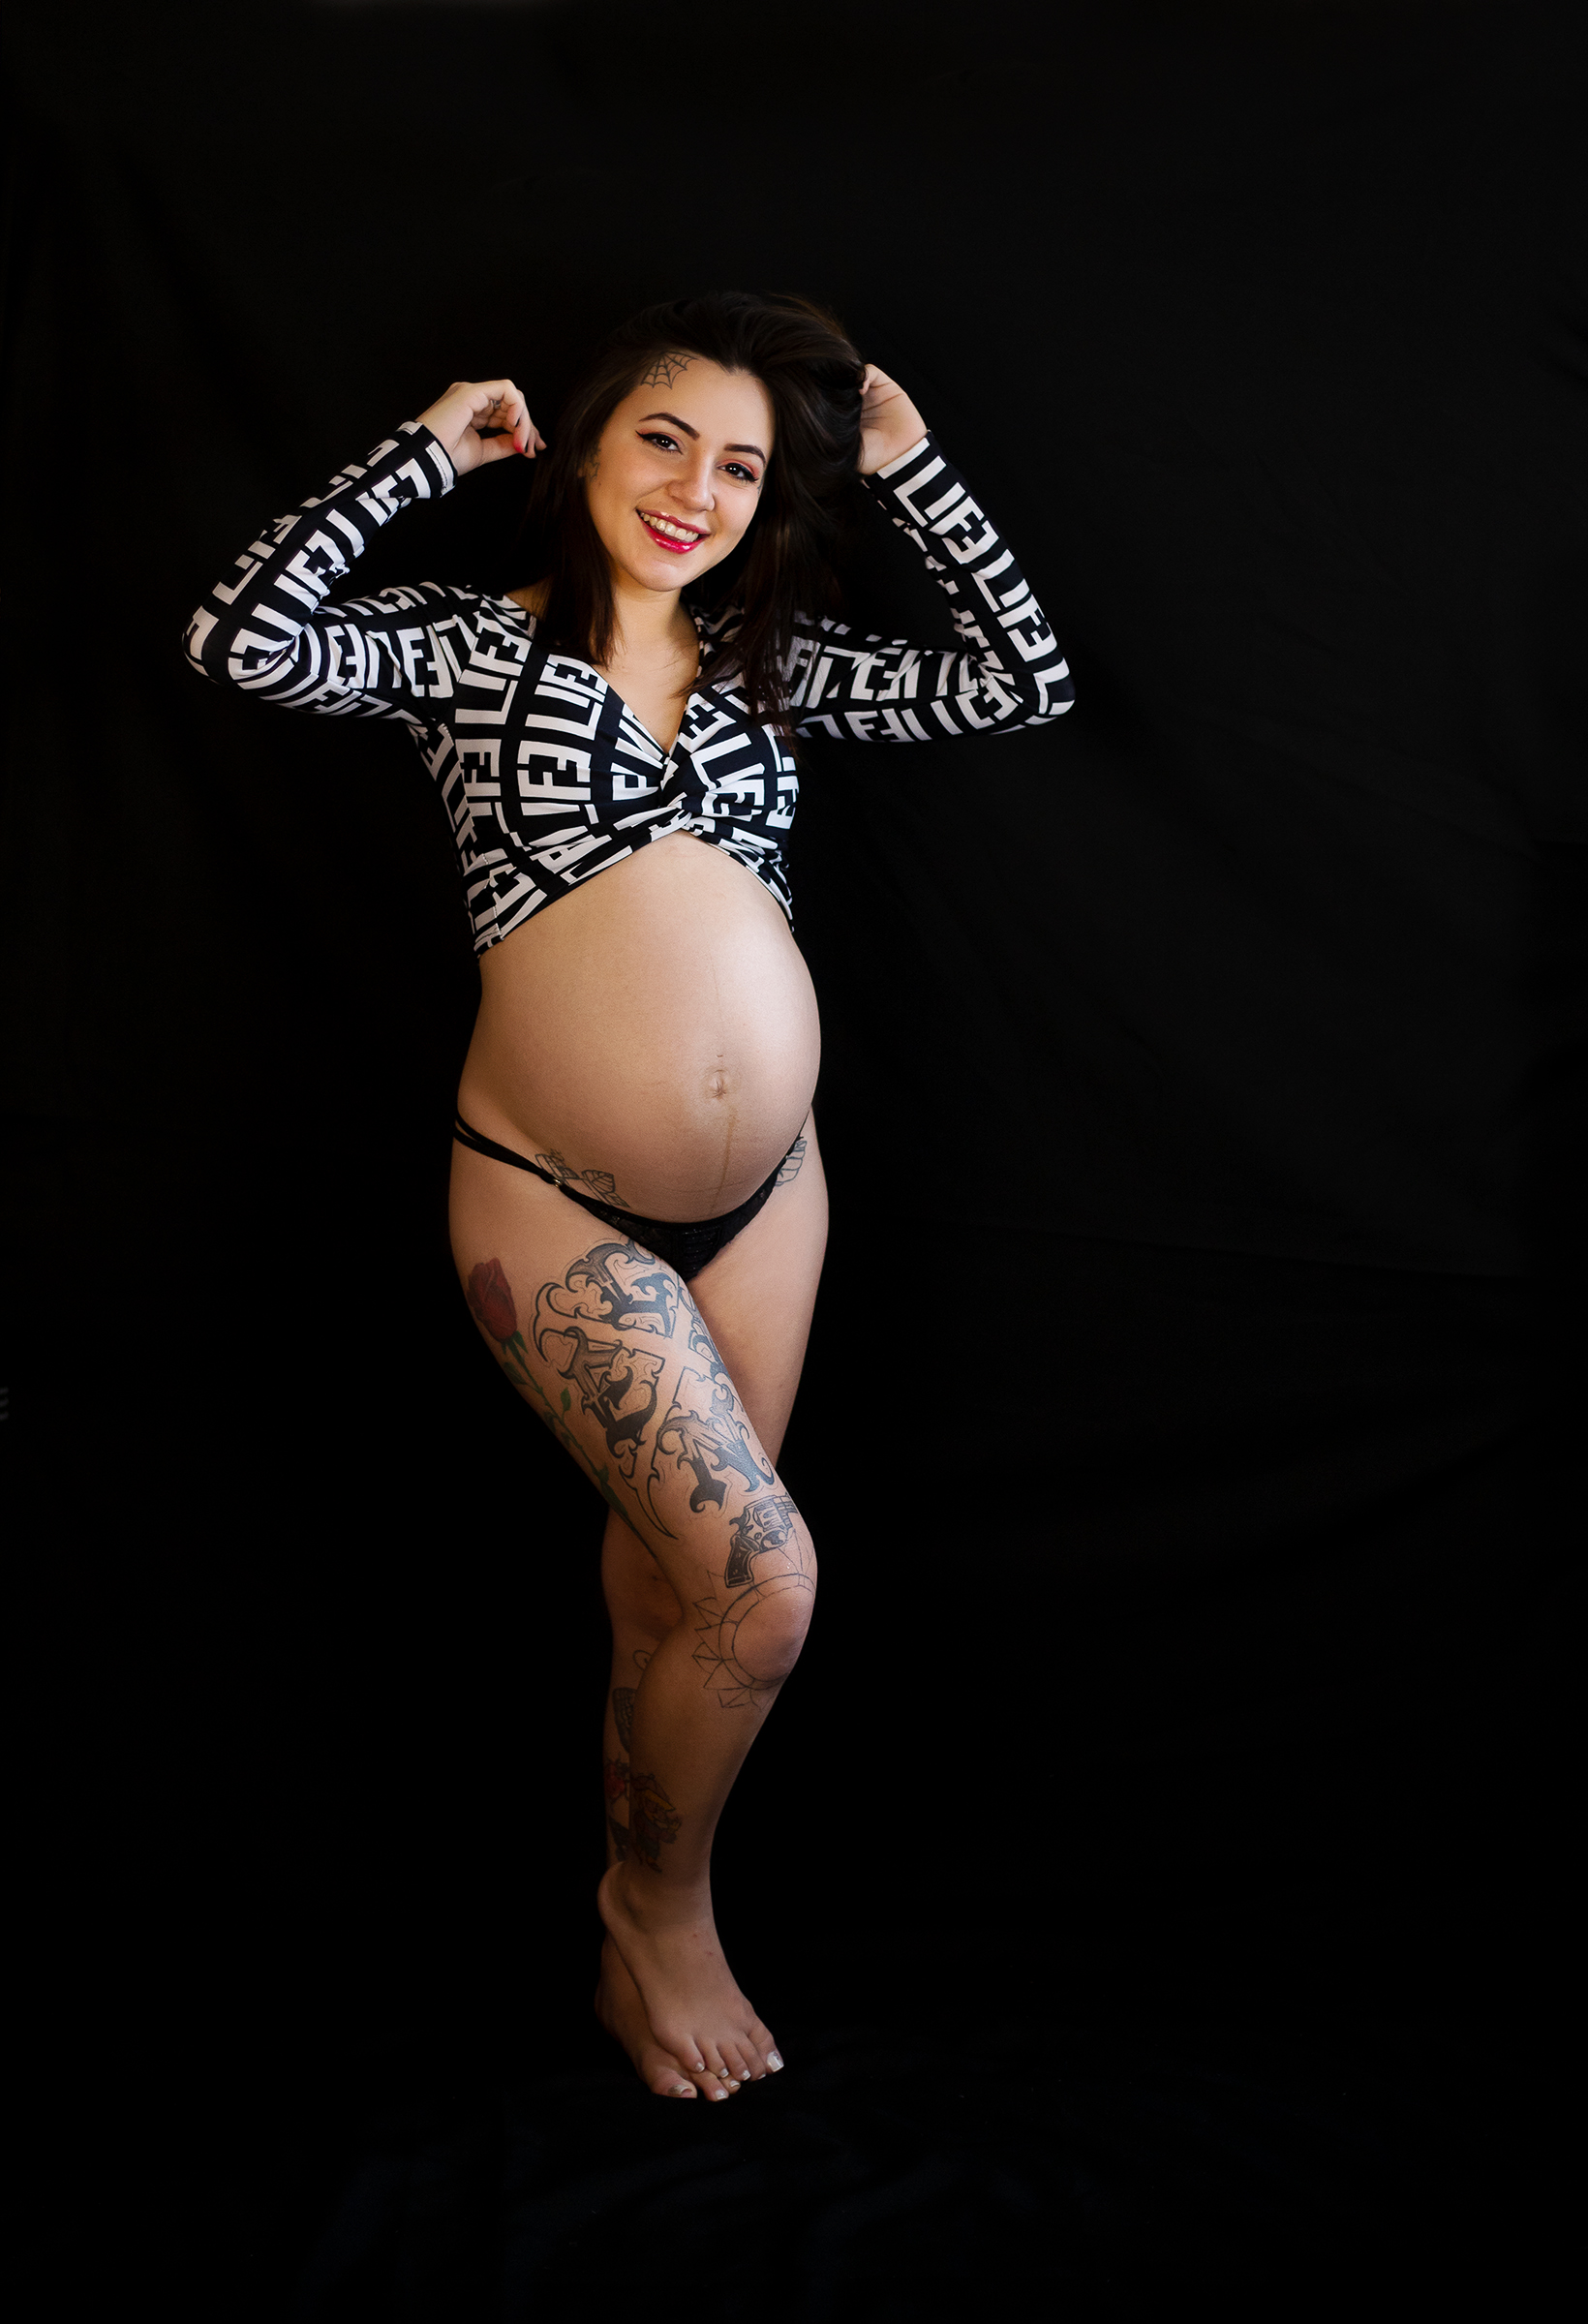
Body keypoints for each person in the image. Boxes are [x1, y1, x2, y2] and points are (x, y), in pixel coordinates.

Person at [186, 290, 1073, 2102]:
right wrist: (423, 455)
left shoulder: (769, 668)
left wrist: (912, 473)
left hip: (773, 1202)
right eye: (664, 438)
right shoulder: (467, 647)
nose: (697, 490)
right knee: (765, 1584)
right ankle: (654, 1912)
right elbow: (238, 638)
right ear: (586, 442)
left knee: (678, 1594)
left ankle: (648, 1925)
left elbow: (1020, 680)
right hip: (555, 1198)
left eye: (741, 466)